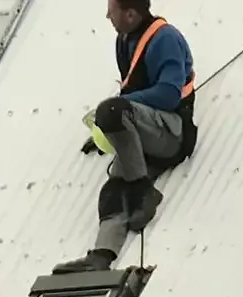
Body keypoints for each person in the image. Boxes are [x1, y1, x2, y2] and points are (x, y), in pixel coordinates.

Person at [52, 0, 197, 275]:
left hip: (171, 133)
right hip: (143, 131)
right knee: (114, 190)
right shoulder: (125, 40)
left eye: (112, 9)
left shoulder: (165, 39)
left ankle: (144, 192)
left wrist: (114, 113)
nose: (107, 14)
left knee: (112, 111)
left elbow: (168, 94)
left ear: (131, 13)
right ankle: (101, 256)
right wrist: (106, 132)